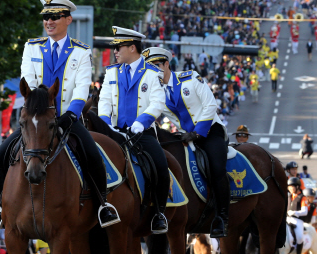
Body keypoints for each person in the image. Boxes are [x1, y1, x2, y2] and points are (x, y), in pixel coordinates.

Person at [0, 0, 119, 228]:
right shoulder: (32, 47)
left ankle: (103, 206)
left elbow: (82, 87)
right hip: (37, 120)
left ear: (68, 19)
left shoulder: (81, 51)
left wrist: (72, 113)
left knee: (93, 155)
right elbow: (27, 82)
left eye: (54, 17)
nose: (49, 21)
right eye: (46, 17)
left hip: (67, 119)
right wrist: (39, 108)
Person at [144, 47, 229, 237]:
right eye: (150, 68)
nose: (154, 72)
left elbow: (211, 105)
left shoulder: (190, 78)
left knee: (216, 168)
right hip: (184, 135)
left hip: (209, 131)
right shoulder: (155, 92)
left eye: (157, 66)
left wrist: (198, 133)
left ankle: (222, 217)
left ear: (166, 64)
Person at [98, 26, 169, 234]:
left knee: (161, 168)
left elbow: (158, 102)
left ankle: (159, 213)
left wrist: (141, 122)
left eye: (119, 47)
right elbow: (104, 101)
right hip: (113, 133)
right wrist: (106, 125)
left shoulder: (152, 73)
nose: (115, 52)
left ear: (132, 47)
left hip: (141, 133)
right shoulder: (111, 72)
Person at [286, 178, 306, 254]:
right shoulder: (288, 196)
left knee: (300, 237)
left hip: (297, 220)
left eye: (292, 187)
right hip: (287, 219)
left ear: (297, 187)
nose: (290, 189)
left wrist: (294, 212)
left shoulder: (302, 197)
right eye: (289, 187)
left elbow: (305, 211)